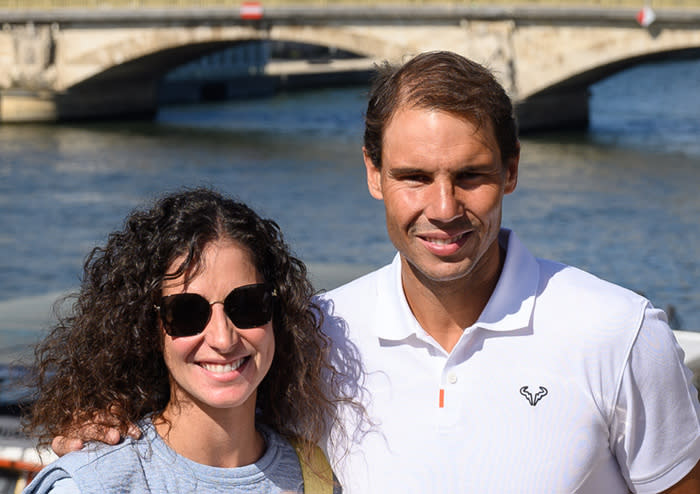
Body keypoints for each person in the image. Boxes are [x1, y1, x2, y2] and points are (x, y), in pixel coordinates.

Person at [50, 52, 700, 493]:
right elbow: (208, 390)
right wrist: (107, 424)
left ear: (511, 171)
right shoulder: (318, 338)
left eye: (469, 176)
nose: (443, 209)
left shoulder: (619, 333)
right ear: (372, 174)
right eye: (415, 178)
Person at [23, 188, 359, 493]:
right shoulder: (94, 484)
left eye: (247, 306)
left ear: (276, 313)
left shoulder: (315, 477)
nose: (223, 338)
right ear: (148, 328)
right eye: (186, 313)